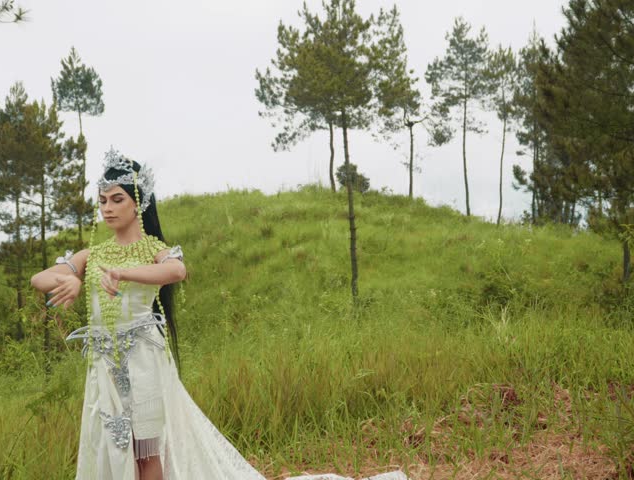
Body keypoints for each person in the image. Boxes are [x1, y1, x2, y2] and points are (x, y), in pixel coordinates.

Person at [30, 149, 408, 480]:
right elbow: (40, 279)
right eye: (102, 201)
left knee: (146, 451)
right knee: (112, 446)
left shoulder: (153, 248)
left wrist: (125, 273)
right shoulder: (92, 254)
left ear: (137, 203)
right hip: (104, 365)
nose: (108, 208)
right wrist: (73, 279)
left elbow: (176, 270)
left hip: (143, 359)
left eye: (117, 199)